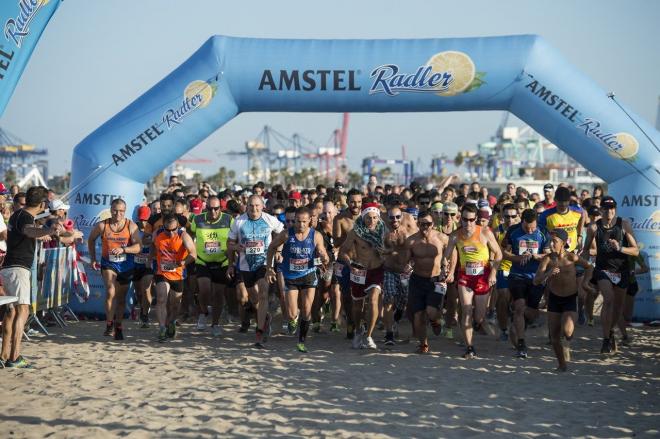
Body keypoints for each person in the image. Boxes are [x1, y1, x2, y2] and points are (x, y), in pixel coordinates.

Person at [1, 186, 62, 368]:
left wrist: (54, 229)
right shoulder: (25, 217)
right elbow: (29, 230)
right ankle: (15, 357)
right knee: (23, 311)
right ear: (42, 203)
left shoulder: (18, 214)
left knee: (11, 313)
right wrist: (49, 231)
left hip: (10, 268)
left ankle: (4, 355)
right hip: (18, 269)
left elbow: (31, 229)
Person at [266, 206, 330, 352]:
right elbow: (271, 247)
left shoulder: (316, 235)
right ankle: (293, 320)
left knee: (307, 310)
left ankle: (301, 341)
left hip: (308, 275)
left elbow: (323, 254)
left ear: (310, 221)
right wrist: (269, 268)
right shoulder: (287, 234)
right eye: (298, 221)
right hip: (291, 276)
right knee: (291, 313)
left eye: (304, 222)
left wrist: (323, 257)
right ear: (294, 221)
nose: (300, 225)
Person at [443, 203, 501, 358]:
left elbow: (499, 254)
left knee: (479, 317)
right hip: (465, 277)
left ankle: (478, 323)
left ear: (476, 219)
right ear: (459, 218)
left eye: (471, 220)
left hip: (483, 276)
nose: (468, 223)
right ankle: (469, 347)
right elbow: (447, 254)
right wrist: (444, 264)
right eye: (464, 219)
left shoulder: (485, 232)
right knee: (467, 310)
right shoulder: (455, 235)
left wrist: (493, 273)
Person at [582, 196, 639, 354]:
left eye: (612, 208)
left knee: (618, 309)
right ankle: (606, 340)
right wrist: (583, 269)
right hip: (603, 270)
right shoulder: (594, 227)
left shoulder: (624, 225)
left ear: (615, 209)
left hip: (622, 270)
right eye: (606, 208)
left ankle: (611, 332)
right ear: (601, 210)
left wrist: (620, 248)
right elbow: (586, 250)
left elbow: (636, 250)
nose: (609, 211)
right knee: (608, 300)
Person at [227, 195, 283, 348]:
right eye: (251, 206)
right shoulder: (239, 221)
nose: (254, 209)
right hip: (246, 266)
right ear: (246, 206)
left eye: (257, 206)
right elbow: (229, 243)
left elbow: (282, 232)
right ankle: (265, 318)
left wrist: (278, 249)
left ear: (262, 206)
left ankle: (259, 331)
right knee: (254, 299)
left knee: (263, 293)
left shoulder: (269, 219)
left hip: (264, 263)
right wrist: (235, 253)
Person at [534, 229, 594, 371]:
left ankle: (566, 343)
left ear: (564, 243)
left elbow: (589, 267)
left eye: (554, 241)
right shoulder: (547, 259)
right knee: (554, 337)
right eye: (550, 241)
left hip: (570, 298)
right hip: (554, 298)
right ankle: (562, 364)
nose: (551, 244)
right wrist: (548, 273)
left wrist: (585, 283)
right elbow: (536, 281)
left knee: (567, 332)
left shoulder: (571, 258)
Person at [87, 198, 141, 340]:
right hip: (108, 264)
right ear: (110, 210)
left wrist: (124, 249)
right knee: (110, 290)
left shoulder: (131, 226)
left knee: (121, 298)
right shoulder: (102, 225)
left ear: (125, 211)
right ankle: (109, 324)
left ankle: (118, 325)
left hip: (126, 266)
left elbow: (138, 247)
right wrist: (93, 258)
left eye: (121, 211)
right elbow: (91, 239)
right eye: (115, 211)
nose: (118, 214)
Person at [403, 211, 455, 353]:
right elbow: (406, 260)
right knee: (418, 315)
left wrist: (450, 272)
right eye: (422, 224)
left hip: (436, 280)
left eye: (428, 224)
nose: (425, 226)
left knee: (432, 312)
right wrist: (407, 266)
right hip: (417, 279)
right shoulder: (412, 240)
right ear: (418, 224)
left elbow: (453, 252)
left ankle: (436, 320)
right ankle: (423, 344)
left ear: (433, 224)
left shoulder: (441, 238)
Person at [502, 209, 550, 358]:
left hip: (536, 277)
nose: (530, 230)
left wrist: (537, 256)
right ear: (522, 221)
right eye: (527, 227)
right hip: (517, 275)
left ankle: (518, 324)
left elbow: (548, 254)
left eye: (533, 227)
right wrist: (517, 258)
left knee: (532, 313)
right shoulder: (513, 231)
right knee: (519, 306)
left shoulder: (543, 231)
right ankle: (521, 343)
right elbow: (504, 252)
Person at [338, 202, 385, 349]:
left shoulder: (384, 231)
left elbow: (393, 249)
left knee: (373, 300)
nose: (372, 221)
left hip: (377, 271)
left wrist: (387, 253)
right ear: (363, 218)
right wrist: (350, 264)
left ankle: (369, 336)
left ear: (378, 218)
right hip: (359, 270)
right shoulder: (355, 232)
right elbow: (343, 251)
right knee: (357, 307)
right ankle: (359, 330)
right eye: (369, 218)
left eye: (375, 218)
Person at [191, 196, 233, 336]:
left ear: (220, 208)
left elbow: (235, 237)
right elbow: (189, 235)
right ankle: (203, 312)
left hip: (222, 261)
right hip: (203, 261)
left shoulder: (228, 220)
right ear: (205, 208)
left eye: (216, 208)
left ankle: (215, 324)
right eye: (210, 208)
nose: (213, 211)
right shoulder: (197, 219)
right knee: (204, 290)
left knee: (218, 294)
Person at [151, 213, 197, 342]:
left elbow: (193, 254)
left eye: (173, 230)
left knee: (175, 305)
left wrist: (184, 262)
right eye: (167, 230)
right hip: (162, 272)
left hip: (178, 274)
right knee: (161, 299)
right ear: (163, 226)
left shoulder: (183, 235)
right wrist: (151, 257)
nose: (171, 233)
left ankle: (171, 322)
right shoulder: (157, 234)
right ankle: (161, 328)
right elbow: (152, 246)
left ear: (178, 226)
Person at [381, 206, 414, 346]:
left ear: (402, 217)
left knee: (403, 302)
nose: (394, 220)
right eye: (391, 217)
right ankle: (389, 334)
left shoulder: (409, 233)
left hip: (405, 273)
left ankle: (395, 319)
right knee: (388, 299)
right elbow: (377, 251)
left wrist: (411, 265)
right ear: (387, 218)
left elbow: (416, 249)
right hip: (388, 270)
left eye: (397, 217)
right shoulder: (382, 233)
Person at [332, 189, 362, 339]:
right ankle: (350, 321)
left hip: (363, 263)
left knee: (365, 296)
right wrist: (350, 236)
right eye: (352, 202)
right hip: (344, 262)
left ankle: (360, 322)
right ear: (347, 202)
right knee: (347, 295)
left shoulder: (367, 217)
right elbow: (336, 243)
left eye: (358, 202)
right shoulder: (339, 219)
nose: (355, 205)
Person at [493, 203, 520, 342]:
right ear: (502, 217)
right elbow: (493, 254)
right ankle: (503, 329)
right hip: (502, 268)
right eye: (507, 216)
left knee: (518, 301)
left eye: (513, 216)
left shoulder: (522, 230)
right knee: (503, 296)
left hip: (519, 269)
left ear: (518, 216)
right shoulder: (496, 232)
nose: (510, 219)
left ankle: (517, 326)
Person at [133, 205, 154, 328]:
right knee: (138, 293)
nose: (143, 222)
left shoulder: (153, 230)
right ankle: (142, 309)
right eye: (141, 219)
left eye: (145, 220)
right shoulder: (133, 228)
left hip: (148, 265)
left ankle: (145, 315)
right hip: (136, 264)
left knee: (146, 290)